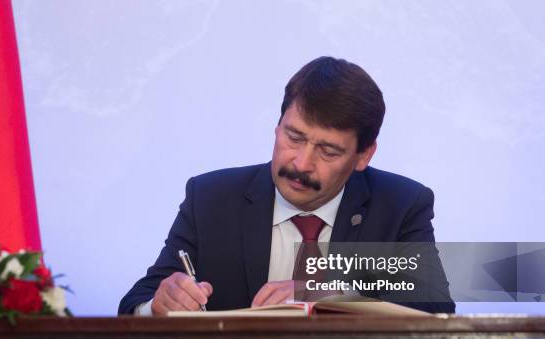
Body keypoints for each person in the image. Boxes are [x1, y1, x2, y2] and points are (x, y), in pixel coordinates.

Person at [119, 56, 455, 316]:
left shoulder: (399, 205)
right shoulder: (211, 199)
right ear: (277, 126)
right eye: (294, 137)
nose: (301, 163)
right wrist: (158, 304)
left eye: (328, 150)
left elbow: (435, 307)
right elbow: (136, 302)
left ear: (363, 155)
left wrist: (329, 296)